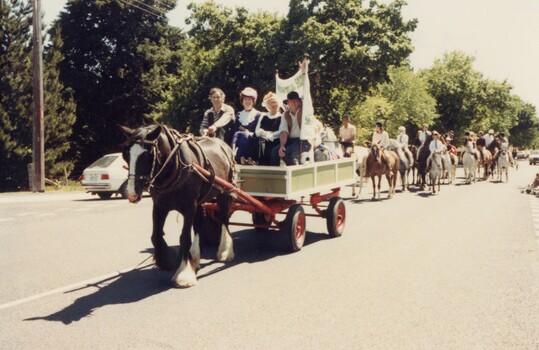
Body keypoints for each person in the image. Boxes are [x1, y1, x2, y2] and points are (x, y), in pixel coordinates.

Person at [270, 59, 313, 166]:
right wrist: (282, 146)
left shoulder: (305, 111)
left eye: (295, 101)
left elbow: (307, 93)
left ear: (299, 101)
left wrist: (304, 73)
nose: (293, 103)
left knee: (288, 154)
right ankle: (275, 177)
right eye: (290, 101)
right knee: (275, 152)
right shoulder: (286, 115)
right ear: (288, 102)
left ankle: (295, 176)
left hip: (304, 141)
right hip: (292, 140)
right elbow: (284, 131)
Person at [231, 87, 262, 164]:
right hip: (239, 141)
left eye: (249, 99)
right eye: (245, 99)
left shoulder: (258, 114)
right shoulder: (239, 114)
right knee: (237, 134)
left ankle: (247, 159)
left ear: (253, 101)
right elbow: (235, 130)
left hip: (252, 142)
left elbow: (258, 132)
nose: (247, 101)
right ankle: (233, 156)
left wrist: (249, 133)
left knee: (244, 135)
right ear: (242, 101)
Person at [255, 92, 282, 165]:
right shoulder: (263, 116)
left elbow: (281, 131)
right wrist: (266, 133)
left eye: (275, 102)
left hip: (275, 141)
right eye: (270, 103)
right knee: (259, 141)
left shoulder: (281, 117)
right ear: (267, 105)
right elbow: (257, 131)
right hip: (262, 140)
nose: (273, 105)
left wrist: (270, 135)